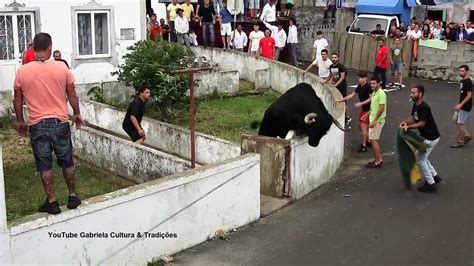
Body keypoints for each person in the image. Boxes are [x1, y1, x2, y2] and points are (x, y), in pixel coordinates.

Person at [13, 32, 84, 215]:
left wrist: (20, 121)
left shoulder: (23, 71)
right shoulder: (61, 68)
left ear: (33, 48)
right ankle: (72, 196)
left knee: (45, 165)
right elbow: (72, 95)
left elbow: (17, 99)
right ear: (50, 47)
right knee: (67, 162)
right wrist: (76, 114)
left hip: (37, 125)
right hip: (60, 122)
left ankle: (52, 202)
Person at [400, 84, 441, 192]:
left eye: (413, 93)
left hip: (431, 138)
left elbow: (422, 123)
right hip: (427, 137)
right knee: (423, 157)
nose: (411, 95)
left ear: (420, 94)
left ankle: (431, 184)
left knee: (421, 159)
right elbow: (413, 118)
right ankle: (435, 176)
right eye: (411, 92)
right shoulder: (415, 104)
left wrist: (409, 127)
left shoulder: (424, 107)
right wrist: (405, 123)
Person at [337, 70, 372, 153]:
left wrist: (362, 104)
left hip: (369, 110)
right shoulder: (360, 86)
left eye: (362, 78)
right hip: (364, 109)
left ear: (366, 78)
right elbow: (352, 95)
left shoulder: (368, 87)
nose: (360, 80)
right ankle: (368, 140)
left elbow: (372, 98)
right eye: (359, 78)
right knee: (360, 126)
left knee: (363, 128)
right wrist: (341, 99)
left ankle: (364, 145)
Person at [324, 52, 351, 125]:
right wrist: (325, 81)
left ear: (338, 58)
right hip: (336, 86)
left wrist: (335, 85)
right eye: (332, 57)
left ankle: (347, 117)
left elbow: (342, 77)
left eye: (335, 57)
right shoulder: (331, 66)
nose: (334, 59)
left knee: (343, 102)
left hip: (342, 87)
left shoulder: (341, 67)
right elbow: (331, 75)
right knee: (336, 100)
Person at [367, 76, 386, 168]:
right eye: (371, 83)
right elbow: (374, 106)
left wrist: (374, 121)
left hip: (377, 121)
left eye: (374, 83)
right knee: (374, 140)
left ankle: (377, 161)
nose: (372, 85)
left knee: (373, 140)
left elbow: (381, 108)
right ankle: (379, 159)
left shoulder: (381, 94)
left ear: (379, 83)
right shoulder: (375, 92)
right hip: (374, 119)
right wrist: (367, 114)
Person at [451, 65, 472, 148]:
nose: (460, 72)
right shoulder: (463, 81)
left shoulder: (468, 82)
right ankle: (467, 135)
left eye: (462, 71)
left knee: (460, 123)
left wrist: (461, 104)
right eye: (460, 71)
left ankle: (460, 141)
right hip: (461, 105)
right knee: (456, 119)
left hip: (465, 107)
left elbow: (469, 95)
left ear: (466, 71)